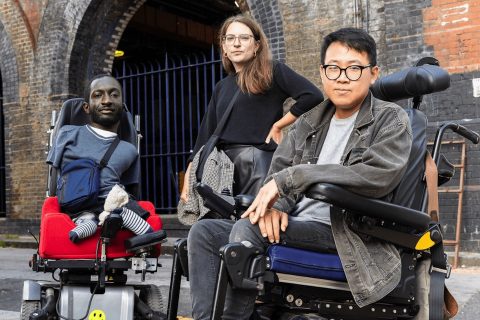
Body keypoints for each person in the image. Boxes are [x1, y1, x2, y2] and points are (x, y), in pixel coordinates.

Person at [187, 27, 413, 319]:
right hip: (297, 224)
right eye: (333, 69)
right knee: (203, 232)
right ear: (322, 73)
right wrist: (276, 207)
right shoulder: (310, 120)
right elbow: (278, 170)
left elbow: (376, 175)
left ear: (373, 73)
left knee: (248, 230)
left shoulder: (391, 119)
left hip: (348, 231)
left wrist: (297, 177)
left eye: (354, 69)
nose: (342, 77)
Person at [180, 14, 323, 203]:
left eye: (244, 38)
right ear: (223, 47)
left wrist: (279, 125)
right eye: (230, 39)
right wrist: (188, 181)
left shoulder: (271, 70)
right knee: (222, 227)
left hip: (257, 162)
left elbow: (312, 96)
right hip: (222, 168)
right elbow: (205, 135)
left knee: (253, 226)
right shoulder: (221, 86)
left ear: (256, 45)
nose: (236, 44)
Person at [47, 74, 153, 243]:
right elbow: (55, 176)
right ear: (86, 107)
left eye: (114, 94)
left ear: (122, 105)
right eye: (98, 95)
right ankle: (93, 222)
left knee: (127, 207)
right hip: (75, 201)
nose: (106, 101)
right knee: (102, 213)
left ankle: (116, 223)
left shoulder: (130, 150)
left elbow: (131, 189)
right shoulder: (67, 134)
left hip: (111, 203)